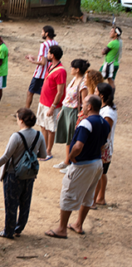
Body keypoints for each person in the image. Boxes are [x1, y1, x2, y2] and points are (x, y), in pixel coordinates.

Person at [45, 95, 109, 239]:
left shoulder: (86, 123)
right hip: (97, 163)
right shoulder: (105, 123)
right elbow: (104, 144)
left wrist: (71, 157)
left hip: (83, 164)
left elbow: (78, 145)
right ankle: (78, 224)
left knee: (69, 193)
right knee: (88, 194)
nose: (82, 105)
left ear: (90, 107)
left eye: (84, 103)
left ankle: (62, 228)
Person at [0, 108, 47, 238]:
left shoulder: (17, 136)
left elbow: (6, 157)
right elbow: (43, 154)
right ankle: (19, 228)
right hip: (29, 173)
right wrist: (30, 155)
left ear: (21, 121)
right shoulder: (39, 135)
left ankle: (8, 231)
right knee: (25, 203)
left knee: (11, 204)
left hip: (13, 174)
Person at [53, 59, 89, 172]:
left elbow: (84, 102)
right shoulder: (75, 79)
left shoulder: (83, 84)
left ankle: (71, 163)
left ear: (77, 69)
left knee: (71, 139)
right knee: (68, 137)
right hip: (67, 110)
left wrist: (81, 116)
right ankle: (67, 161)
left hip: (74, 112)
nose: (71, 69)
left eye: (72, 67)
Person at [36, 45, 66, 160]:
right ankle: (44, 148)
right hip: (43, 101)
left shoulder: (61, 71)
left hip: (50, 104)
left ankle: (48, 151)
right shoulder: (51, 66)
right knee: (43, 125)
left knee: (51, 128)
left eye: (48, 53)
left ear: (52, 55)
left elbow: (60, 91)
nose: (47, 55)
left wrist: (53, 107)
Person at [92, 83, 117, 208]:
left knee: (98, 174)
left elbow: (105, 131)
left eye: (96, 91)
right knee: (102, 173)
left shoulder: (108, 112)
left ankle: (93, 201)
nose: (94, 93)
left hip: (103, 147)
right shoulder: (107, 108)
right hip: (104, 146)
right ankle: (100, 197)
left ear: (101, 95)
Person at [24, 26, 57, 109]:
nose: (41, 33)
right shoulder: (55, 43)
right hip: (50, 72)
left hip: (40, 74)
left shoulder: (44, 45)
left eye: (42, 32)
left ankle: (26, 111)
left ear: (46, 33)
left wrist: (32, 61)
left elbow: (43, 62)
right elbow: (46, 57)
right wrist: (34, 56)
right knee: (46, 93)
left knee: (30, 92)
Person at [100, 26, 122, 91]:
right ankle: (110, 98)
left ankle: (98, 98)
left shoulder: (112, 43)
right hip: (115, 64)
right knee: (111, 82)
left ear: (116, 34)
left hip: (108, 65)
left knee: (97, 79)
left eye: (112, 31)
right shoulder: (119, 42)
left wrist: (103, 50)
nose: (110, 33)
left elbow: (103, 52)